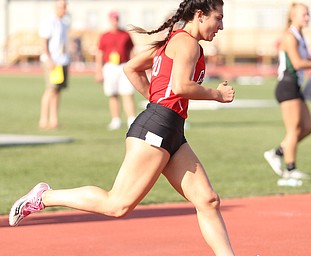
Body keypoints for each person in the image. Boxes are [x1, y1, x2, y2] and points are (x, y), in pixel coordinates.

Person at [10, 1, 235, 255]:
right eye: (218, 18)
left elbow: (131, 67)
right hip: (157, 129)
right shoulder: (186, 43)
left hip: (170, 129)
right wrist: (216, 94)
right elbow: (182, 86)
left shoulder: (175, 41)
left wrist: (157, 100)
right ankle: (44, 197)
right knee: (116, 205)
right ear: (200, 15)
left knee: (208, 200)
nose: (221, 26)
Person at [264, 2, 311, 179]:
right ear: (292, 16)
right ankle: (290, 169)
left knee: (308, 127)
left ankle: (277, 152)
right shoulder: (290, 37)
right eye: (304, 14)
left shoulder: (300, 36)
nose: (307, 17)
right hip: (287, 86)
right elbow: (297, 63)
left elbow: (306, 60)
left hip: (295, 87)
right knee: (294, 130)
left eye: (308, 14)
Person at [95, 11, 136, 130]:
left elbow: (131, 51)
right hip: (110, 66)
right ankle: (116, 119)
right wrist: (98, 70)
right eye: (113, 19)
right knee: (113, 94)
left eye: (116, 19)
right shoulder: (104, 35)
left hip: (123, 65)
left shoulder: (125, 35)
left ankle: (131, 118)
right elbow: (99, 53)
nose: (115, 21)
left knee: (127, 92)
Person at [38, 0, 70, 130]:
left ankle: (54, 120)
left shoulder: (63, 23)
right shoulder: (48, 21)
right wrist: (49, 60)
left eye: (65, 6)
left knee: (57, 91)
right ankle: (43, 120)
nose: (64, 9)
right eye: (62, 6)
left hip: (62, 61)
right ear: (56, 7)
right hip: (52, 61)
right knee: (50, 89)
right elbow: (43, 41)